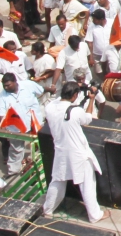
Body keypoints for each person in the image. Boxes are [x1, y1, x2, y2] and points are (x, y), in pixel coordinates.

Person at [42, 83, 105, 222]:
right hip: (78, 153)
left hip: (60, 152)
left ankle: (48, 209)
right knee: (87, 184)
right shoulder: (76, 111)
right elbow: (88, 119)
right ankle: (94, 215)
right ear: (75, 95)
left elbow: (59, 102)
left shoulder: (50, 107)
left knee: (57, 181)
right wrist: (91, 99)